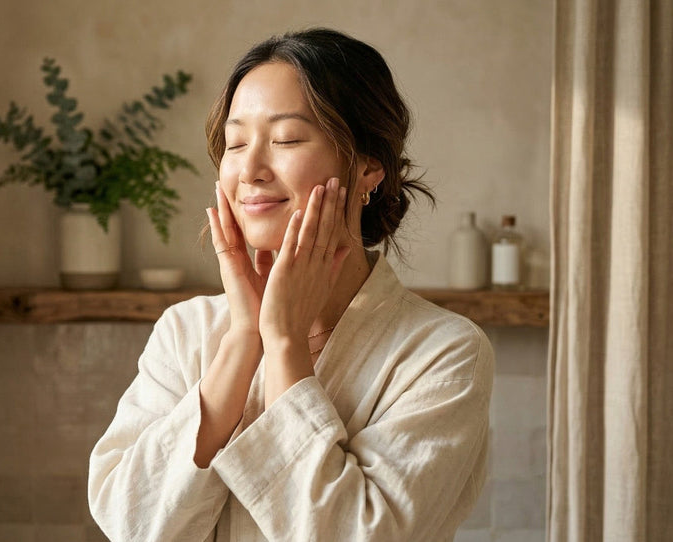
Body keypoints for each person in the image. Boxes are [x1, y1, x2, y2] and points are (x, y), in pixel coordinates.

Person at [88, 28, 494, 542]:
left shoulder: (442, 353)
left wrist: (283, 344)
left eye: (285, 140)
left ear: (370, 165)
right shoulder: (186, 331)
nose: (250, 171)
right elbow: (132, 524)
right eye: (235, 144)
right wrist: (242, 341)